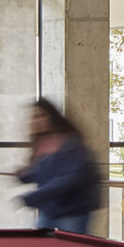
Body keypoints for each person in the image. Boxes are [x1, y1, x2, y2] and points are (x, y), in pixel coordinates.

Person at [17, 98, 102, 233]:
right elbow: (46, 173)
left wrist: (34, 196)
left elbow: (68, 178)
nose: (37, 121)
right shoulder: (41, 144)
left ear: (52, 117)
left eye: (41, 116)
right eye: (34, 117)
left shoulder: (69, 143)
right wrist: (25, 175)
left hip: (72, 212)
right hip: (50, 212)